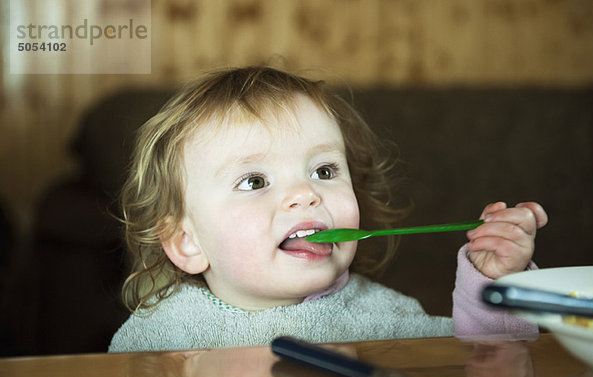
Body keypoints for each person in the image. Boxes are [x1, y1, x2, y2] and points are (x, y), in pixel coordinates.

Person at [109, 65, 547, 352]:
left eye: (323, 171)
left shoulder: (385, 319)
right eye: (255, 181)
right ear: (188, 243)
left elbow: (489, 375)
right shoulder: (161, 337)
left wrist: (495, 286)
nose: (306, 194)